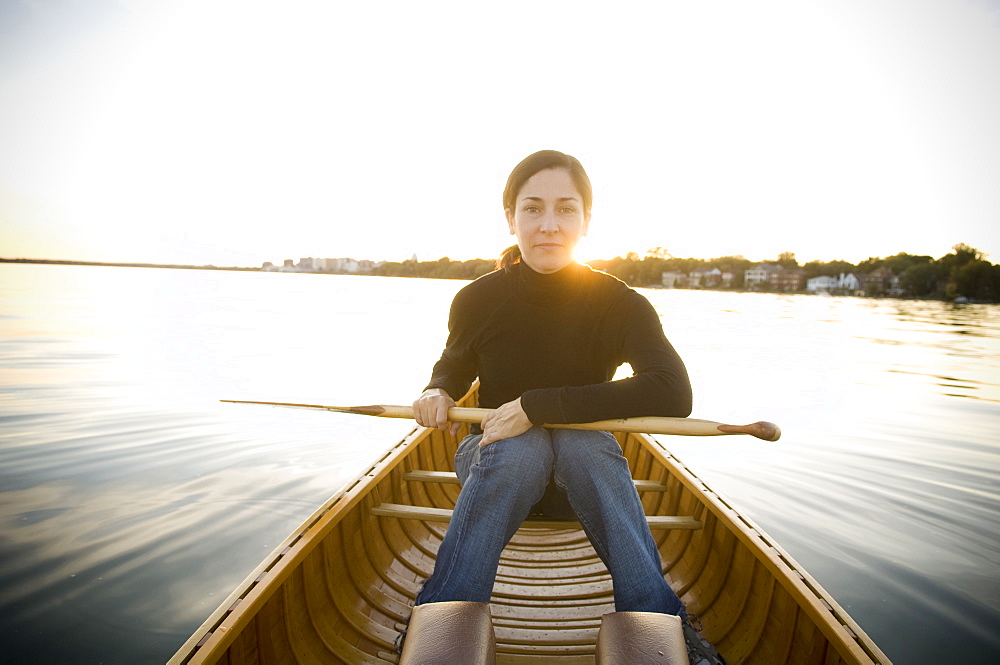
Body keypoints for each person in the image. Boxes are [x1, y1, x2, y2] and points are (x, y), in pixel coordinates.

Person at [406, 150, 725, 664]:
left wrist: (536, 406)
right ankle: (441, 620)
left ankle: (660, 621)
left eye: (565, 209)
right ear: (510, 218)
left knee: (578, 441)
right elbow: (454, 365)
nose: (549, 225)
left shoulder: (618, 302)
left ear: (587, 221)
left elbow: (672, 391)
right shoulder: (477, 299)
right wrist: (436, 390)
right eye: (532, 209)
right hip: (493, 467)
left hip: (584, 483)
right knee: (520, 450)